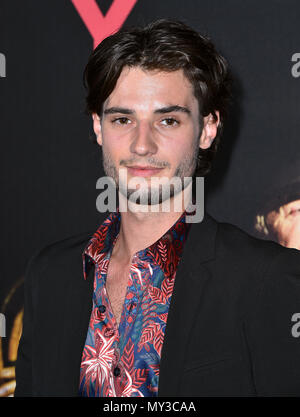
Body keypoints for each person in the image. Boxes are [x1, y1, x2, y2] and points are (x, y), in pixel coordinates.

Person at [15, 18, 300, 397]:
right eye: (122, 119)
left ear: (207, 128)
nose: (141, 145)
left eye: (167, 120)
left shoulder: (268, 281)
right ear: (98, 127)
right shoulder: (50, 275)